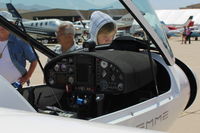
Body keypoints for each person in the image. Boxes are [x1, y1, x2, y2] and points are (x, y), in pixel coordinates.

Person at [0, 11, 37, 88]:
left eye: (5, 23)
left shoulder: (20, 41)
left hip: (15, 85)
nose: (1, 26)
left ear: (11, 24)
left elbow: (34, 60)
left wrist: (27, 77)